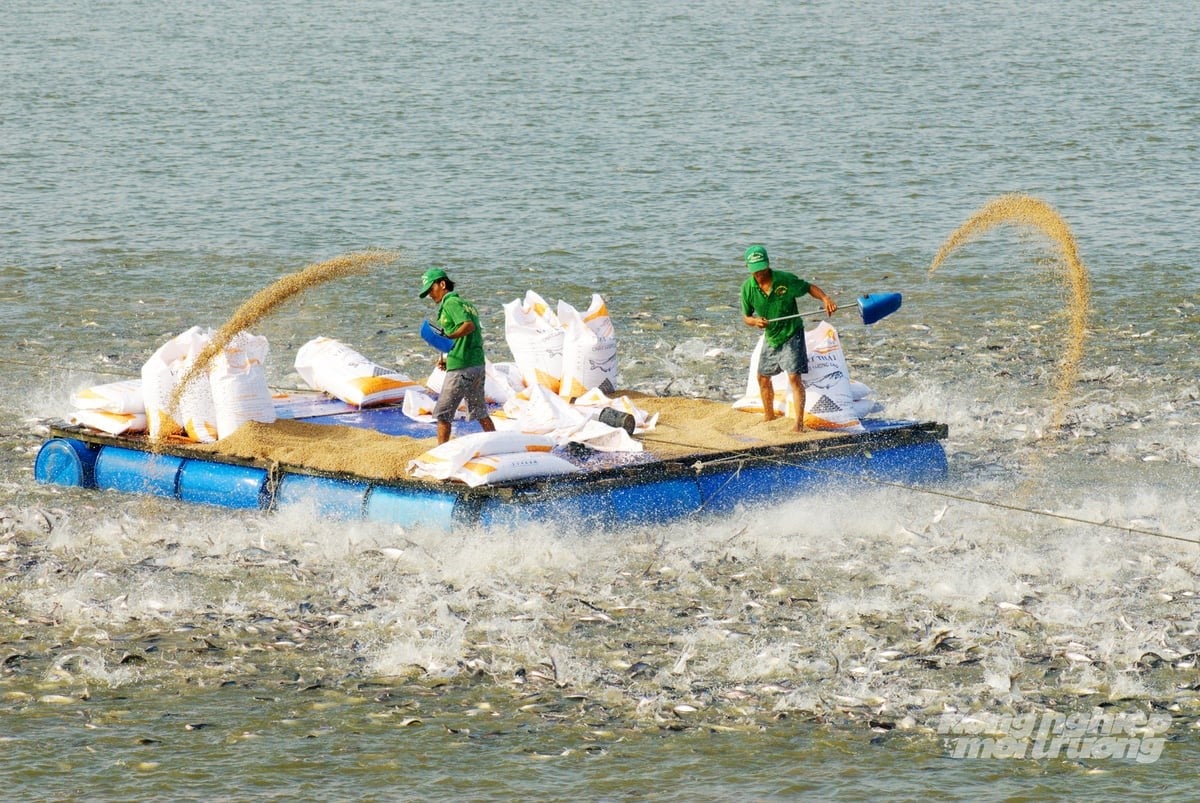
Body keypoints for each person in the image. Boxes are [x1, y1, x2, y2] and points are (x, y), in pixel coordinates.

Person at [740, 244, 837, 433]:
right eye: (755, 271)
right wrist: (755, 322)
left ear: (767, 265)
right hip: (772, 336)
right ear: (748, 269)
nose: (759, 274)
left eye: (762, 269)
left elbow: (809, 287)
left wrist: (825, 298)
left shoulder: (784, 279)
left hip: (792, 332)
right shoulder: (747, 289)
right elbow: (746, 317)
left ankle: (798, 425)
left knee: (793, 376)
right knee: (762, 377)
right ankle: (769, 417)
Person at [418, 267, 496, 444]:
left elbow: (468, 326)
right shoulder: (466, 303)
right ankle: (497, 445)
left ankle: (441, 454)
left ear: (442, 284)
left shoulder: (451, 303)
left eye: (431, 289)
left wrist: (448, 336)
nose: (430, 294)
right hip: (476, 364)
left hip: (461, 368)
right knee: (480, 412)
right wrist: (446, 358)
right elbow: (464, 336)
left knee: (443, 414)